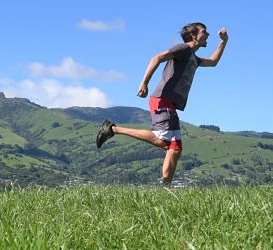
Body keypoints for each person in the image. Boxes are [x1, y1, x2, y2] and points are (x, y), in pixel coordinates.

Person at [96, 22, 228, 186]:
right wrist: (144, 83)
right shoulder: (183, 49)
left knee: (175, 148)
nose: (207, 35)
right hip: (162, 99)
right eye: (204, 32)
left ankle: (166, 188)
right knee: (164, 141)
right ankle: (113, 129)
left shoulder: (193, 58)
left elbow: (214, 62)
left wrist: (223, 41)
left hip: (170, 103)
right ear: (193, 36)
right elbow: (156, 58)